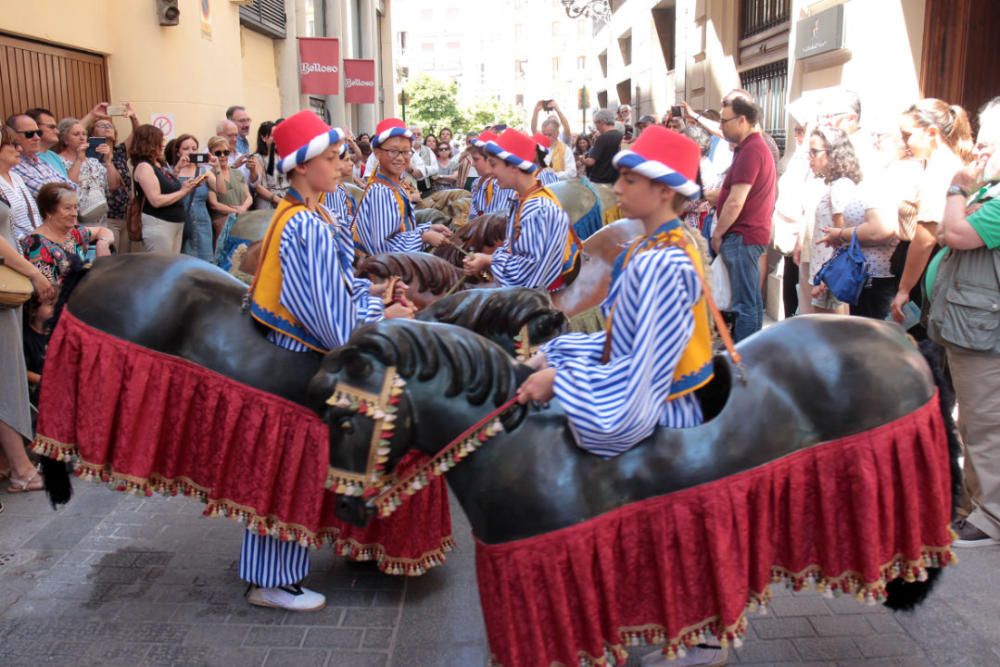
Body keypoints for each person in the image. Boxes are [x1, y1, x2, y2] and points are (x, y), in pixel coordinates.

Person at [245, 111, 412, 611]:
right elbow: (334, 327)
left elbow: (333, 296)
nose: (342, 167)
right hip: (299, 366)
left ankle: (276, 573)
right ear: (301, 167)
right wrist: (378, 310)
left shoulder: (304, 213)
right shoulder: (307, 225)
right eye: (332, 158)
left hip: (292, 361)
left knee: (287, 471)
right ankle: (274, 580)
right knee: (289, 472)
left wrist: (369, 296)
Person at [516, 125, 711, 468]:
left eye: (629, 180)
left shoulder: (663, 260)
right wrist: (554, 355)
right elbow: (620, 342)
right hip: (647, 390)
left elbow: (644, 373)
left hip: (665, 413)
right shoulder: (652, 246)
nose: (617, 187)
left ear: (664, 190)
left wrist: (562, 381)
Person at [929, 97, 1000, 548]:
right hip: (971, 327)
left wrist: (956, 188)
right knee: (975, 420)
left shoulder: (990, 199)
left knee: (985, 422)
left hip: (983, 332)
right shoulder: (990, 193)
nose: (979, 155)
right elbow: (945, 230)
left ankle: (990, 516)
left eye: (990, 147)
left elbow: (953, 232)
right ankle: (979, 504)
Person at [0, 126, 55, 495]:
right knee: (6, 377)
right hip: (5, 289)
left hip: (7, 290)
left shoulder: (9, 181)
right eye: (11, 142)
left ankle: (10, 462)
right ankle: (20, 469)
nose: (18, 147)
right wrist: (34, 272)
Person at [890, 99, 974, 325]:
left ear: (932, 132)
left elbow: (926, 237)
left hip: (931, 273)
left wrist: (904, 289)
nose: (904, 141)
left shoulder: (942, 169)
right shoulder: (943, 164)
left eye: (907, 134)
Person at [463, 129, 579, 290]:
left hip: (539, 295)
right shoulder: (522, 200)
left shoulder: (538, 209)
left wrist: (489, 260)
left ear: (514, 167)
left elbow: (528, 273)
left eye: (494, 164)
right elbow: (512, 247)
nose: (492, 172)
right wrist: (487, 258)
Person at [711, 96, 776, 342]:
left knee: (745, 304)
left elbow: (736, 200)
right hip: (744, 236)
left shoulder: (752, 151)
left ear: (742, 120)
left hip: (743, 236)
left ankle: (746, 361)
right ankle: (749, 356)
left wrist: (718, 233)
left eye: (724, 120)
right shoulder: (748, 149)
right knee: (747, 302)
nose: (721, 126)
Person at [353, 118, 452, 256]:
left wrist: (428, 228)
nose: (400, 158)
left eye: (405, 152)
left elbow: (400, 229)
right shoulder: (381, 191)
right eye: (393, 151)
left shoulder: (396, 184)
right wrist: (423, 237)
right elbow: (383, 247)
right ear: (377, 153)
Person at [805, 126, 866, 314]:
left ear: (833, 153)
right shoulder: (833, 185)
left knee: (830, 336)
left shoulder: (840, 187)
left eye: (815, 152)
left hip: (831, 279)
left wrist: (826, 279)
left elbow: (843, 237)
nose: (810, 157)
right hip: (826, 275)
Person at [20, 182, 114, 285]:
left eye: (75, 207)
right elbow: (48, 289)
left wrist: (103, 243)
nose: (74, 213)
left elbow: (103, 231)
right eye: (67, 208)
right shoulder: (36, 244)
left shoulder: (74, 232)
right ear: (49, 212)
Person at [131, 124, 198, 254]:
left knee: (171, 268)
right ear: (149, 143)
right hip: (160, 224)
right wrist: (183, 191)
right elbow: (156, 200)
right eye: (159, 141)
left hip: (175, 223)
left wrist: (177, 170)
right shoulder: (144, 167)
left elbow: (168, 186)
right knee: (161, 268)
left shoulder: (158, 164)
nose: (162, 144)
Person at [89, 104, 139, 250]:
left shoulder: (120, 151)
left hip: (126, 215)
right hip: (106, 218)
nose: (107, 127)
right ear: (92, 132)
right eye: (101, 125)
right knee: (113, 260)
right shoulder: (88, 153)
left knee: (126, 260)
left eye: (110, 125)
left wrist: (133, 116)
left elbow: (138, 134)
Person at [56, 118, 119, 228]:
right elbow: (67, 187)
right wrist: (79, 160)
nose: (82, 138)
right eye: (76, 134)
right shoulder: (58, 161)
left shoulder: (93, 161)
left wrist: (108, 161)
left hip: (100, 223)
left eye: (84, 134)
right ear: (65, 139)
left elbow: (114, 185)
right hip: (76, 224)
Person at [169, 134, 219, 262]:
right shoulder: (171, 171)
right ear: (178, 152)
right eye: (186, 148)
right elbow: (167, 191)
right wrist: (178, 169)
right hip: (181, 223)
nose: (191, 152)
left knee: (205, 263)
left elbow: (222, 190)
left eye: (194, 148)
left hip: (202, 223)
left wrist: (216, 168)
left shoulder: (204, 171)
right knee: (183, 263)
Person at [6, 114, 74, 197]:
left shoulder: (41, 162)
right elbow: (50, 197)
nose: (37, 138)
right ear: (13, 137)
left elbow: (73, 187)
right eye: (29, 133)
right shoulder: (14, 167)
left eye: (38, 133)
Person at [207, 135, 253, 240]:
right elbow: (214, 204)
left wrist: (243, 208)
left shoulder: (237, 173)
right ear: (211, 154)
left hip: (242, 221)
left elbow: (248, 197)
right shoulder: (210, 175)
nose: (222, 156)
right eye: (218, 153)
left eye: (226, 152)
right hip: (223, 224)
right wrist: (235, 211)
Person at [0, 125, 41, 240]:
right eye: (14, 144)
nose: (20, 149)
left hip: (34, 244)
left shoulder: (16, 177)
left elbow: (34, 219)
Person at [531, 101, 577, 181]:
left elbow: (572, 173)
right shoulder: (540, 148)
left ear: (557, 133)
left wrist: (552, 176)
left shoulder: (565, 149)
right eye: (544, 134)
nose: (546, 137)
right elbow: (534, 130)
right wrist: (536, 112)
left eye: (549, 134)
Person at [251, 121, 289, 209]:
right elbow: (258, 187)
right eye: (273, 136)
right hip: (267, 199)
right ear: (263, 137)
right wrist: (276, 199)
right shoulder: (257, 158)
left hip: (286, 196)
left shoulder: (283, 155)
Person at [583, 109, 623, 184]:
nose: (596, 127)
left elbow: (590, 162)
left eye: (596, 123)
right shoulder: (621, 136)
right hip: (615, 181)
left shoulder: (602, 138)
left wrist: (582, 159)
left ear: (601, 122)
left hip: (600, 181)